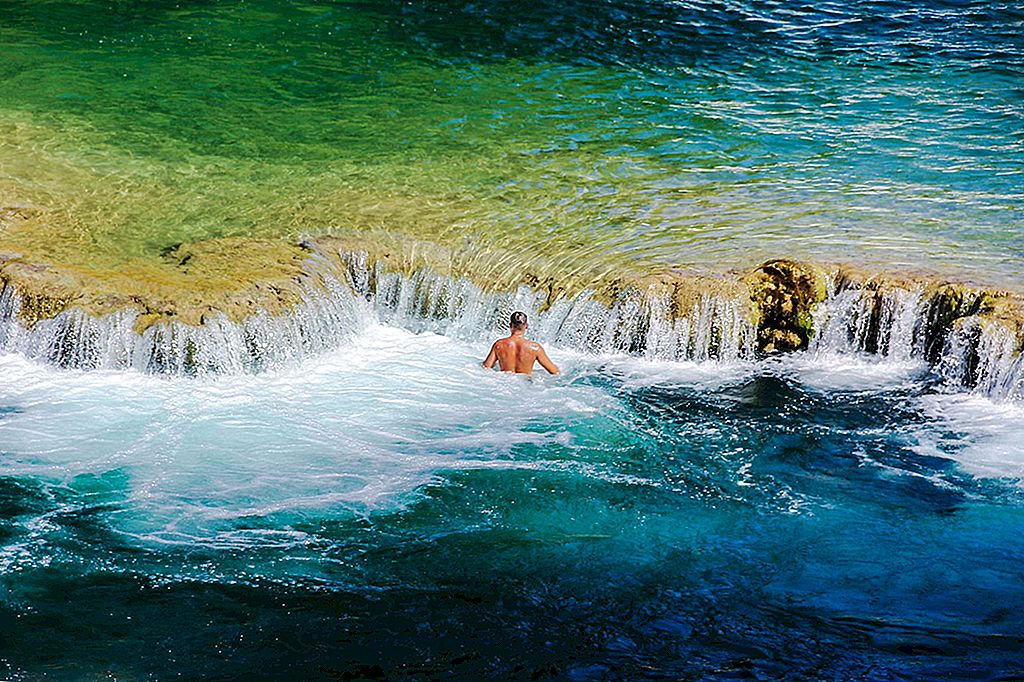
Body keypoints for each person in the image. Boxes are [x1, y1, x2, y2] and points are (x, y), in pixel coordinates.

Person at [482, 311, 559, 375]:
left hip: (505, 383)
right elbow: (554, 372)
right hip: (524, 384)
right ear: (526, 326)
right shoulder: (535, 348)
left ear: (510, 325)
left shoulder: (499, 345)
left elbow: (486, 367)